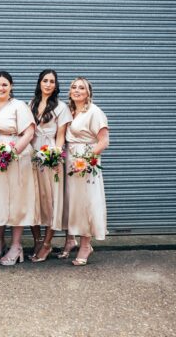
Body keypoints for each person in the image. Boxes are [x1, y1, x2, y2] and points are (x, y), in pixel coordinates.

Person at [0, 71, 38, 266]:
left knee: (17, 201)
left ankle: (16, 246)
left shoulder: (19, 106)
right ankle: (0, 242)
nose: (0, 88)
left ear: (11, 86)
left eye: (4, 85)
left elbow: (29, 132)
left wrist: (12, 152)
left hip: (17, 158)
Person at [64, 77, 109, 266]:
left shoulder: (94, 112)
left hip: (86, 162)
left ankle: (85, 245)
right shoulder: (70, 111)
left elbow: (104, 141)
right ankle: (71, 239)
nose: (77, 90)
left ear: (88, 92)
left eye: (81, 88)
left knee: (87, 202)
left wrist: (85, 159)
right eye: (74, 87)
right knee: (73, 202)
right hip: (70, 161)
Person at [28, 69, 72, 262]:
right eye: (45, 80)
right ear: (39, 83)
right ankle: (37, 240)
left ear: (56, 85)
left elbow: (61, 135)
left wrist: (55, 155)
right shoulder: (31, 104)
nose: (48, 84)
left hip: (50, 154)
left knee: (51, 200)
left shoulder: (61, 107)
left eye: (51, 81)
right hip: (32, 154)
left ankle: (47, 243)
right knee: (33, 199)